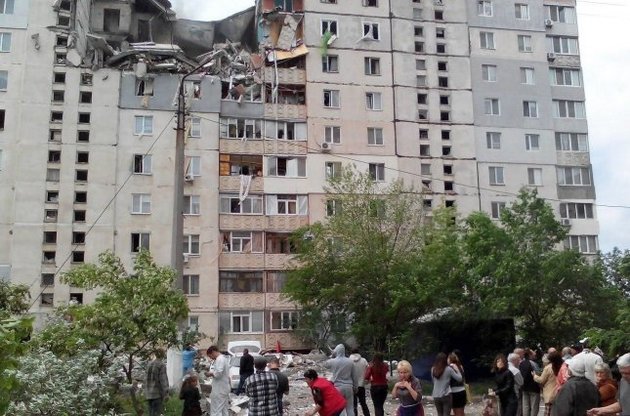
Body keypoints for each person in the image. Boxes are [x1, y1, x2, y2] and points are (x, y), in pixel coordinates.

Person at [324, 344, 357, 416]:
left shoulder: (333, 361)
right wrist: (355, 387)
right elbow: (354, 376)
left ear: (336, 351)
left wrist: (332, 355)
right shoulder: (350, 362)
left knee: (340, 408)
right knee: (350, 408)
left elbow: (325, 364)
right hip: (349, 387)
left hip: (338, 387)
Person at [431, 352, 462, 416]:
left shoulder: (433, 369)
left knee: (439, 414)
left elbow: (434, 382)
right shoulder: (448, 369)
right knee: (446, 414)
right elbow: (459, 379)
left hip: (436, 395)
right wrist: (457, 369)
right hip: (446, 395)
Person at [534, 350, 562, 416]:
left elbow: (541, 380)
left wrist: (534, 376)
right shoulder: (561, 366)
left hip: (549, 394)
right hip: (558, 392)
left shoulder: (548, 368)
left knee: (548, 413)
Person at [206, 345, 230, 416]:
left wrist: (210, 373)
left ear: (213, 352)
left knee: (216, 410)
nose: (211, 358)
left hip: (220, 389)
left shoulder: (220, 359)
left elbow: (219, 373)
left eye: (210, 356)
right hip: (223, 388)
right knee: (224, 410)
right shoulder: (222, 358)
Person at [145, 348, 169, 416]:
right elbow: (163, 380)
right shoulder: (161, 365)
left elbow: (145, 379)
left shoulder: (149, 364)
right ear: (163, 355)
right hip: (157, 394)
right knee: (156, 413)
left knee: (151, 413)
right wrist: (166, 393)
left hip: (149, 394)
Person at [519, 348, 541, 416]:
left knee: (525, 406)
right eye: (533, 353)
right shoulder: (534, 364)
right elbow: (538, 375)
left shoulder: (521, 363)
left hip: (524, 387)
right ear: (529, 355)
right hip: (534, 388)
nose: (535, 354)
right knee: (534, 407)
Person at [350, 348, 370, 416]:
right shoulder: (364, 360)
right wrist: (366, 379)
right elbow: (368, 370)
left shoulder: (348, 361)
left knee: (354, 405)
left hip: (352, 386)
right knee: (363, 403)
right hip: (361, 385)